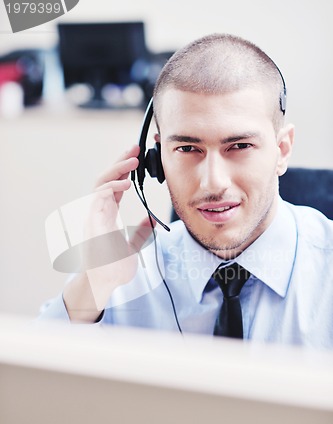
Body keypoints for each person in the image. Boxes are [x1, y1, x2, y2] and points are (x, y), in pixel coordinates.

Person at [40, 33, 333, 348]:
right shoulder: (120, 274)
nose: (213, 183)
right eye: (188, 148)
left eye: (240, 146)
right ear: (155, 160)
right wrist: (92, 284)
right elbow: (27, 386)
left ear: (282, 150)